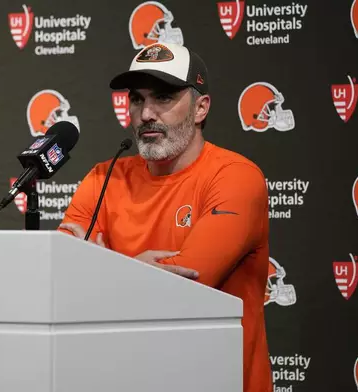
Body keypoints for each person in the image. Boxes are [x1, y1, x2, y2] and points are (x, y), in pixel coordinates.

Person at [57, 42, 272, 392]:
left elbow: (186, 286)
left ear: (201, 107)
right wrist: (133, 271)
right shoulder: (104, 177)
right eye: (137, 99)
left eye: (164, 98)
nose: (146, 114)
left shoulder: (235, 176)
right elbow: (60, 279)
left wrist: (103, 266)